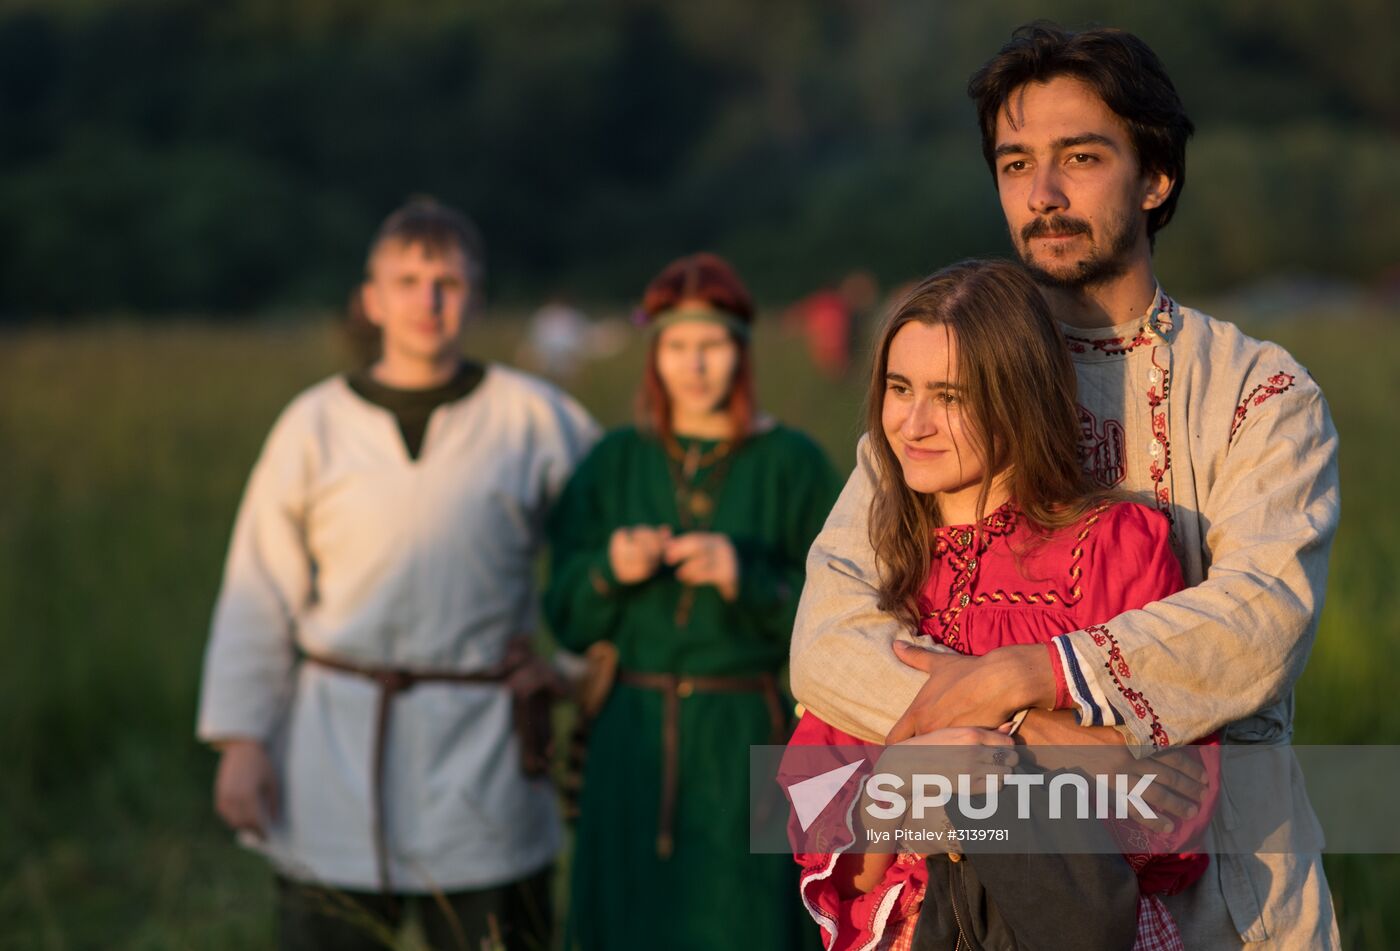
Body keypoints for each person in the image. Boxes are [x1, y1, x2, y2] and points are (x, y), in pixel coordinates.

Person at [789, 23, 1341, 949]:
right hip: (986, 888)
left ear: (1156, 176)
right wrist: (1024, 729)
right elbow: (828, 637)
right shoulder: (949, 383)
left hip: (1234, 880)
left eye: (1080, 158)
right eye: (1016, 164)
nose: (1042, 194)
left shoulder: (1259, 391)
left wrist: (1027, 670)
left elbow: (1262, 616)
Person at [196, 197, 598, 950]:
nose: (428, 300)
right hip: (336, 740)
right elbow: (260, 585)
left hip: (485, 743)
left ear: (476, 298)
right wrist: (242, 741)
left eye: (449, 282)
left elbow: (604, 553)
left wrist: (570, 669)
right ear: (372, 299)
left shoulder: (534, 418)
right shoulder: (314, 423)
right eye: (408, 281)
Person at [787, 260, 1219, 951]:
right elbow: (830, 834)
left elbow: (1172, 809)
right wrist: (901, 780)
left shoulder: (1115, 546)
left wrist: (963, 784)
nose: (913, 424)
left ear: (1018, 397)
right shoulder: (877, 573)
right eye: (899, 388)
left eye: (950, 396)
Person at [544, 252, 841, 950]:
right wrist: (609, 569)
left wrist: (747, 577)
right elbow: (563, 614)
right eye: (677, 346)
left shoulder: (793, 462)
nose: (695, 365)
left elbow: (843, 618)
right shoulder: (615, 459)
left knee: (749, 920)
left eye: (711, 345)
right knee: (628, 920)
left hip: (753, 732)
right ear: (655, 353)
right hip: (631, 733)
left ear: (740, 350)